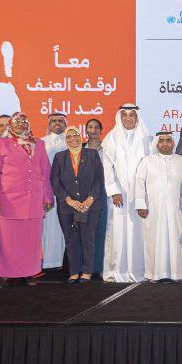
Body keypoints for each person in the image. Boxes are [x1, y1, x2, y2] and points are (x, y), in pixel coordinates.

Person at [0, 112, 53, 287]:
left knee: (30, 241)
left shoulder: (38, 144)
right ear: (10, 124)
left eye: (25, 121)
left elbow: (45, 172)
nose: (21, 124)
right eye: (17, 121)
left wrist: (47, 195)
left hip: (33, 200)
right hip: (7, 201)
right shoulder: (0, 144)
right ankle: (2, 274)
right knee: (5, 241)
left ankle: (29, 272)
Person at [100, 104, 150, 283]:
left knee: (139, 232)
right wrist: (113, 191)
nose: (128, 119)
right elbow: (107, 167)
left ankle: (141, 271)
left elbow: (149, 169)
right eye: (125, 115)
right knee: (117, 230)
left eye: (132, 115)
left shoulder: (147, 139)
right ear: (120, 118)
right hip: (119, 194)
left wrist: (142, 195)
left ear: (137, 117)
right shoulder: (111, 138)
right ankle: (116, 271)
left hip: (140, 194)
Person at [51, 126, 104, 283]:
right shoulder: (59, 157)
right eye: (69, 136)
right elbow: (55, 181)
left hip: (90, 205)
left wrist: (89, 199)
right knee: (71, 239)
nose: (73, 138)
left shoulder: (92, 154)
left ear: (81, 137)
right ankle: (74, 271)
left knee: (88, 238)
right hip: (67, 206)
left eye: (76, 135)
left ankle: (87, 271)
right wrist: (69, 200)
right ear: (65, 140)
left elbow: (99, 180)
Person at [133, 130, 182, 282]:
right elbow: (139, 184)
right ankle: (154, 274)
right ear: (157, 143)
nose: (164, 143)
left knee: (176, 240)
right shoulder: (147, 161)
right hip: (153, 210)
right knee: (153, 241)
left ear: (173, 143)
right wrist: (140, 205)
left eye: (168, 140)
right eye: (161, 141)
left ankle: (177, 274)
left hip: (176, 209)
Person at [40, 112, 69, 272]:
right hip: (48, 191)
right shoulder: (41, 143)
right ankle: (49, 263)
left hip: (68, 192)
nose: (57, 123)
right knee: (49, 227)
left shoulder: (71, 141)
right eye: (53, 121)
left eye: (60, 121)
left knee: (65, 226)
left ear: (65, 124)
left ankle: (66, 263)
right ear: (48, 125)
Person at [84, 117, 108, 276]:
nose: (93, 130)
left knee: (100, 232)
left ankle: (98, 268)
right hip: (84, 196)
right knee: (85, 233)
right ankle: (85, 268)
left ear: (101, 130)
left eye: (96, 128)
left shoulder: (107, 149)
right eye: (90, 127)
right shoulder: (79, 149)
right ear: (86, 130)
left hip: (102, 194)